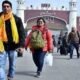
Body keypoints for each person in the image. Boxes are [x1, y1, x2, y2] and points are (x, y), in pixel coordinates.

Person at [0, 1, 25, 80]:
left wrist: (21, 46)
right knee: (0, 66)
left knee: (12, 64)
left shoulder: (17, 19)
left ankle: (10, 77)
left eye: (8, 6)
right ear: (2, 7)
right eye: (4, 6)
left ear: (11, 8)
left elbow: (22, 33)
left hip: (13, 46)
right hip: (1, 46)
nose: (6, 8)